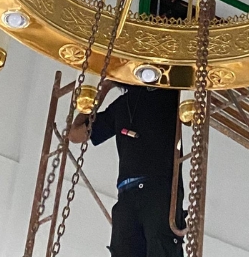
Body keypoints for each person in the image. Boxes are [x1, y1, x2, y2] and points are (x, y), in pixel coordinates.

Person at [69, 81, 185, 257]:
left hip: (159, 189)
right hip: (127, 195)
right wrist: (102, 89)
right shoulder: (122, 106)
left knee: (162, 248)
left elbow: (193, 109)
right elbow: (75, 134)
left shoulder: (168, 94)